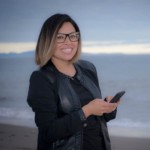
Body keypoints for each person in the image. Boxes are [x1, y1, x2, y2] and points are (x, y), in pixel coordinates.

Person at [27, 13, 119, 150]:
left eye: (72, 36)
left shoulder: (88, 68)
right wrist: (86, 111)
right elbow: (48, 132)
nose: (68, 42)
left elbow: (97, 119)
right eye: (60, 37)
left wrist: (107, 108)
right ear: (48, 40)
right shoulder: (41, 79)